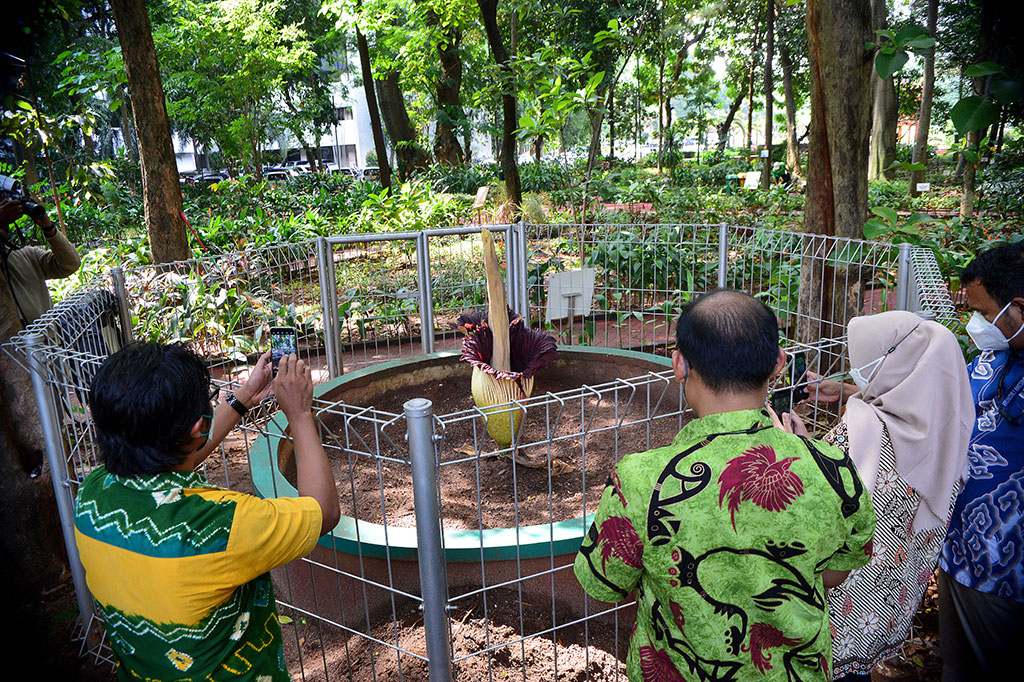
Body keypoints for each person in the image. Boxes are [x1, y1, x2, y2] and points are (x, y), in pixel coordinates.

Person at [574, 289, 876, 682]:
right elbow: (839, 568)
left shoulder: (640, 481)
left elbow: (605, 585)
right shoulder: (834, 468)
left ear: (679, 364)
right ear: (779, 364)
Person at [74, 343, 340, 681]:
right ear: (197, 428)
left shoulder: (93, 494)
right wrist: (300, 415)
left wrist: (244, 396)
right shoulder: (220, 526)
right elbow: (324, 511)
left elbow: (173, 460)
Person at [793, 311, 974, 681]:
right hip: (887, 606)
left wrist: (795, 446)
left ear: (894, 364)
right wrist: (850, 392)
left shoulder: (863, 429)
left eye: (863, 362)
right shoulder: (951, 422)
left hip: (840, 608)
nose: (855, 370)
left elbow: (821, 485)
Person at [936, 243, 1024, 680]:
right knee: (957, 664)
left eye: (986, 313)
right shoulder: (995, 356)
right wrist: (851, 394)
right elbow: (945, 402)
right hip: (958, 553)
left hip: (1007, 571)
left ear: (1019, 307)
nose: (977, 325)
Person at [0, 197, 81, 327]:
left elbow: (70, 264)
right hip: (10, 346)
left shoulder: (26, 255)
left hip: (44, 344)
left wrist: (49, 228)